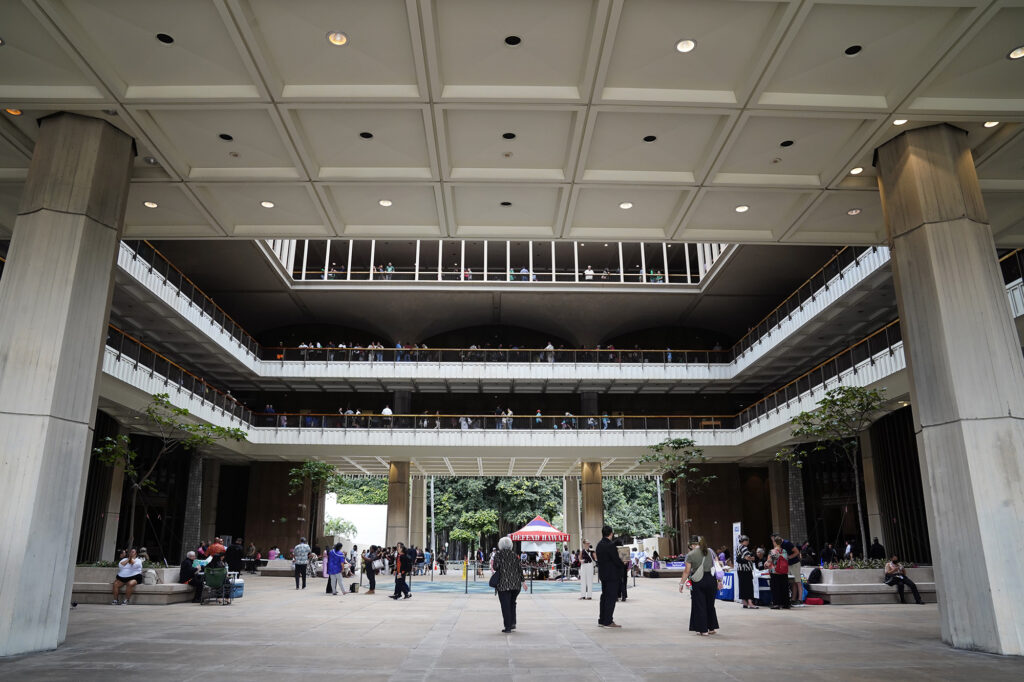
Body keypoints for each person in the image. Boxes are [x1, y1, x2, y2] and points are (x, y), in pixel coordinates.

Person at [681, 535, 720, 636]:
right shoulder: (710, 551)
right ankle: (711, 628)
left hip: (698, 581)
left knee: (700, 605)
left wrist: (681, 583)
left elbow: (687, 571)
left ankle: (703, 629)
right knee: (710, 605)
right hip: (711, 580)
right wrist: (719, 581)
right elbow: (717, 566)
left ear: (692, 545)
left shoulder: (691, 554)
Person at [494, 536, 526, 633]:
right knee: (512, 603)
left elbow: (496, 567)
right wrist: (523, 581)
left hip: (503, 584)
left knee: (505, 605)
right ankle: (512, 623)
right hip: (516, 584)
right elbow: (520, 569)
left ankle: (507, 627)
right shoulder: (514, 555)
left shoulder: (498, 554)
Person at [596, 525, 624, 628]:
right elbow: (616, 560)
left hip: (603, 575)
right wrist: (623, 563)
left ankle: (602, 620)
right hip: (612, 575)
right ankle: (608, 621)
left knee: (604, 597)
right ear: (611, 533)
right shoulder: (610, 545)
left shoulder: (599, 545)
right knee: (611, 598)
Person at [779, 535, 803, 606]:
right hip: (788, 564)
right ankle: (793, 599)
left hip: (795, 563)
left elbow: (797, 552)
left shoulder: (787, 543)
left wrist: (789, 557)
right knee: (792, 582)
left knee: (798, 581)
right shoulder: (780, 545)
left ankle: (800, 599)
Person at [767, 536, 790, 610]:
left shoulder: (772, 551)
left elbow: (769, 562)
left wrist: (765, 564)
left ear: (775, 542)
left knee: (775, 588)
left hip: (775, 572)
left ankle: (776, 604)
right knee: (784, 588)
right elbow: (787, 560)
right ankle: (785, 604)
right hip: (784, 572)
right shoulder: (785, 551)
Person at [735, 535, 757, 609]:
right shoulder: (744, 548)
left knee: (742, 586)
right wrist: (752, 558)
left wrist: (747, 558)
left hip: (740, 570)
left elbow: (738, 559)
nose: (748, 542)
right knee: (749, 586)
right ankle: (750, 603)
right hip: (746, 570)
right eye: (748, 541)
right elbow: (747, 557)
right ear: (745, 541)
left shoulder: (738, 547)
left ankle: (744, 603)